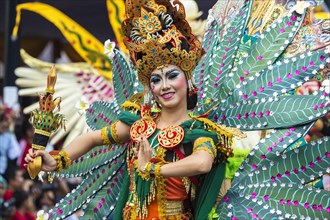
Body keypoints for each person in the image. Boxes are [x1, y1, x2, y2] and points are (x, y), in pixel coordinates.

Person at [25, 0, 329, 219]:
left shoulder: (201, 129)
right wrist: (57, 159)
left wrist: (155, 168)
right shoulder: (139, 123)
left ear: (187, 78)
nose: (164, 85)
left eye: (172, 75)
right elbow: (93, 138)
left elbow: (201, 163)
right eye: (155, 80)